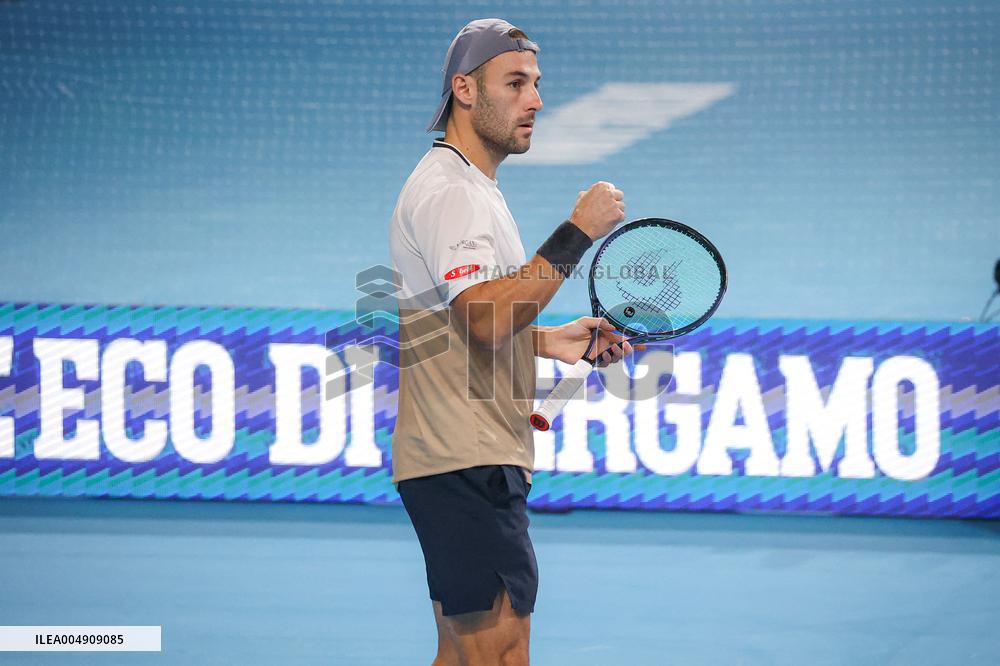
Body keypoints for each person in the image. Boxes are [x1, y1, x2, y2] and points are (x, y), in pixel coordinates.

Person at [388, 18, 639, 665]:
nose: (536, 100)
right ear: (464, 91)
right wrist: (576, 233)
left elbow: (459, 329)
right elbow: (482, 319)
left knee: (469, 655)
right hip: (463, 458)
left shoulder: (471, 189)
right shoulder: (452, 192)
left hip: (460, 456)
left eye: (537, 84)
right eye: (516, 83)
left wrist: (551, 342)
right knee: (498, 655)